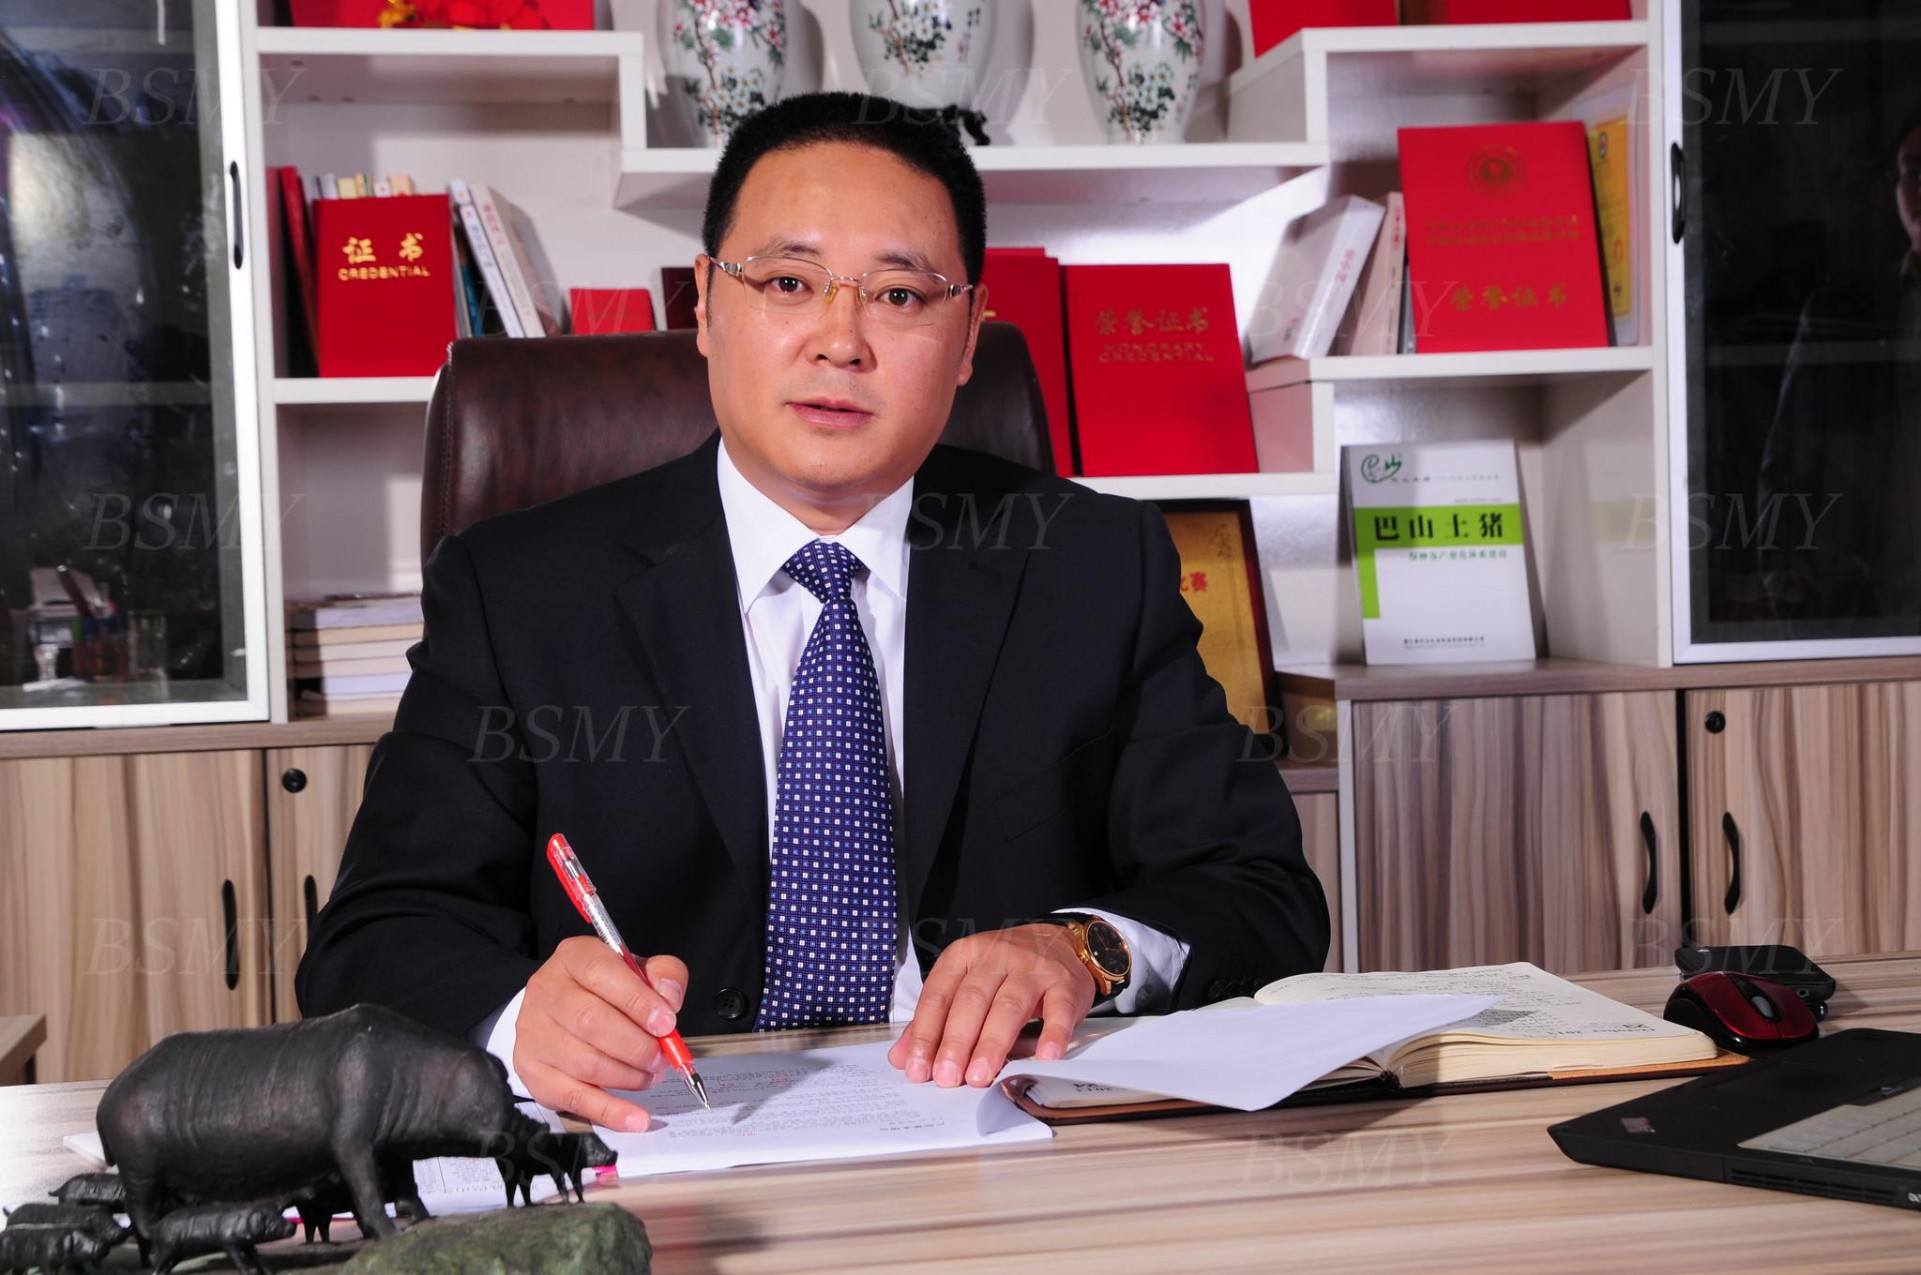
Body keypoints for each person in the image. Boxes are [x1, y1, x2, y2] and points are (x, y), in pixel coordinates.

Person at [296, 92, 1328, 1133]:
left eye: (901, 295)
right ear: (705, 306)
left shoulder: (1092, 567)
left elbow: (1259, 894)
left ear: (968, 337)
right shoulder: (520, 591)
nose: (841, 341)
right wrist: (524, 1017)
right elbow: (373, 939)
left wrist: (1078, 949)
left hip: (992, 1134)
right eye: (788, 282)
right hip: (656, 1139)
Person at [1758, 107, 1921, 628]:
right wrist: (1792, 592)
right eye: (1912, 171)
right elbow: (1787, 463)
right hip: (1863, 622)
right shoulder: (1840, 317)